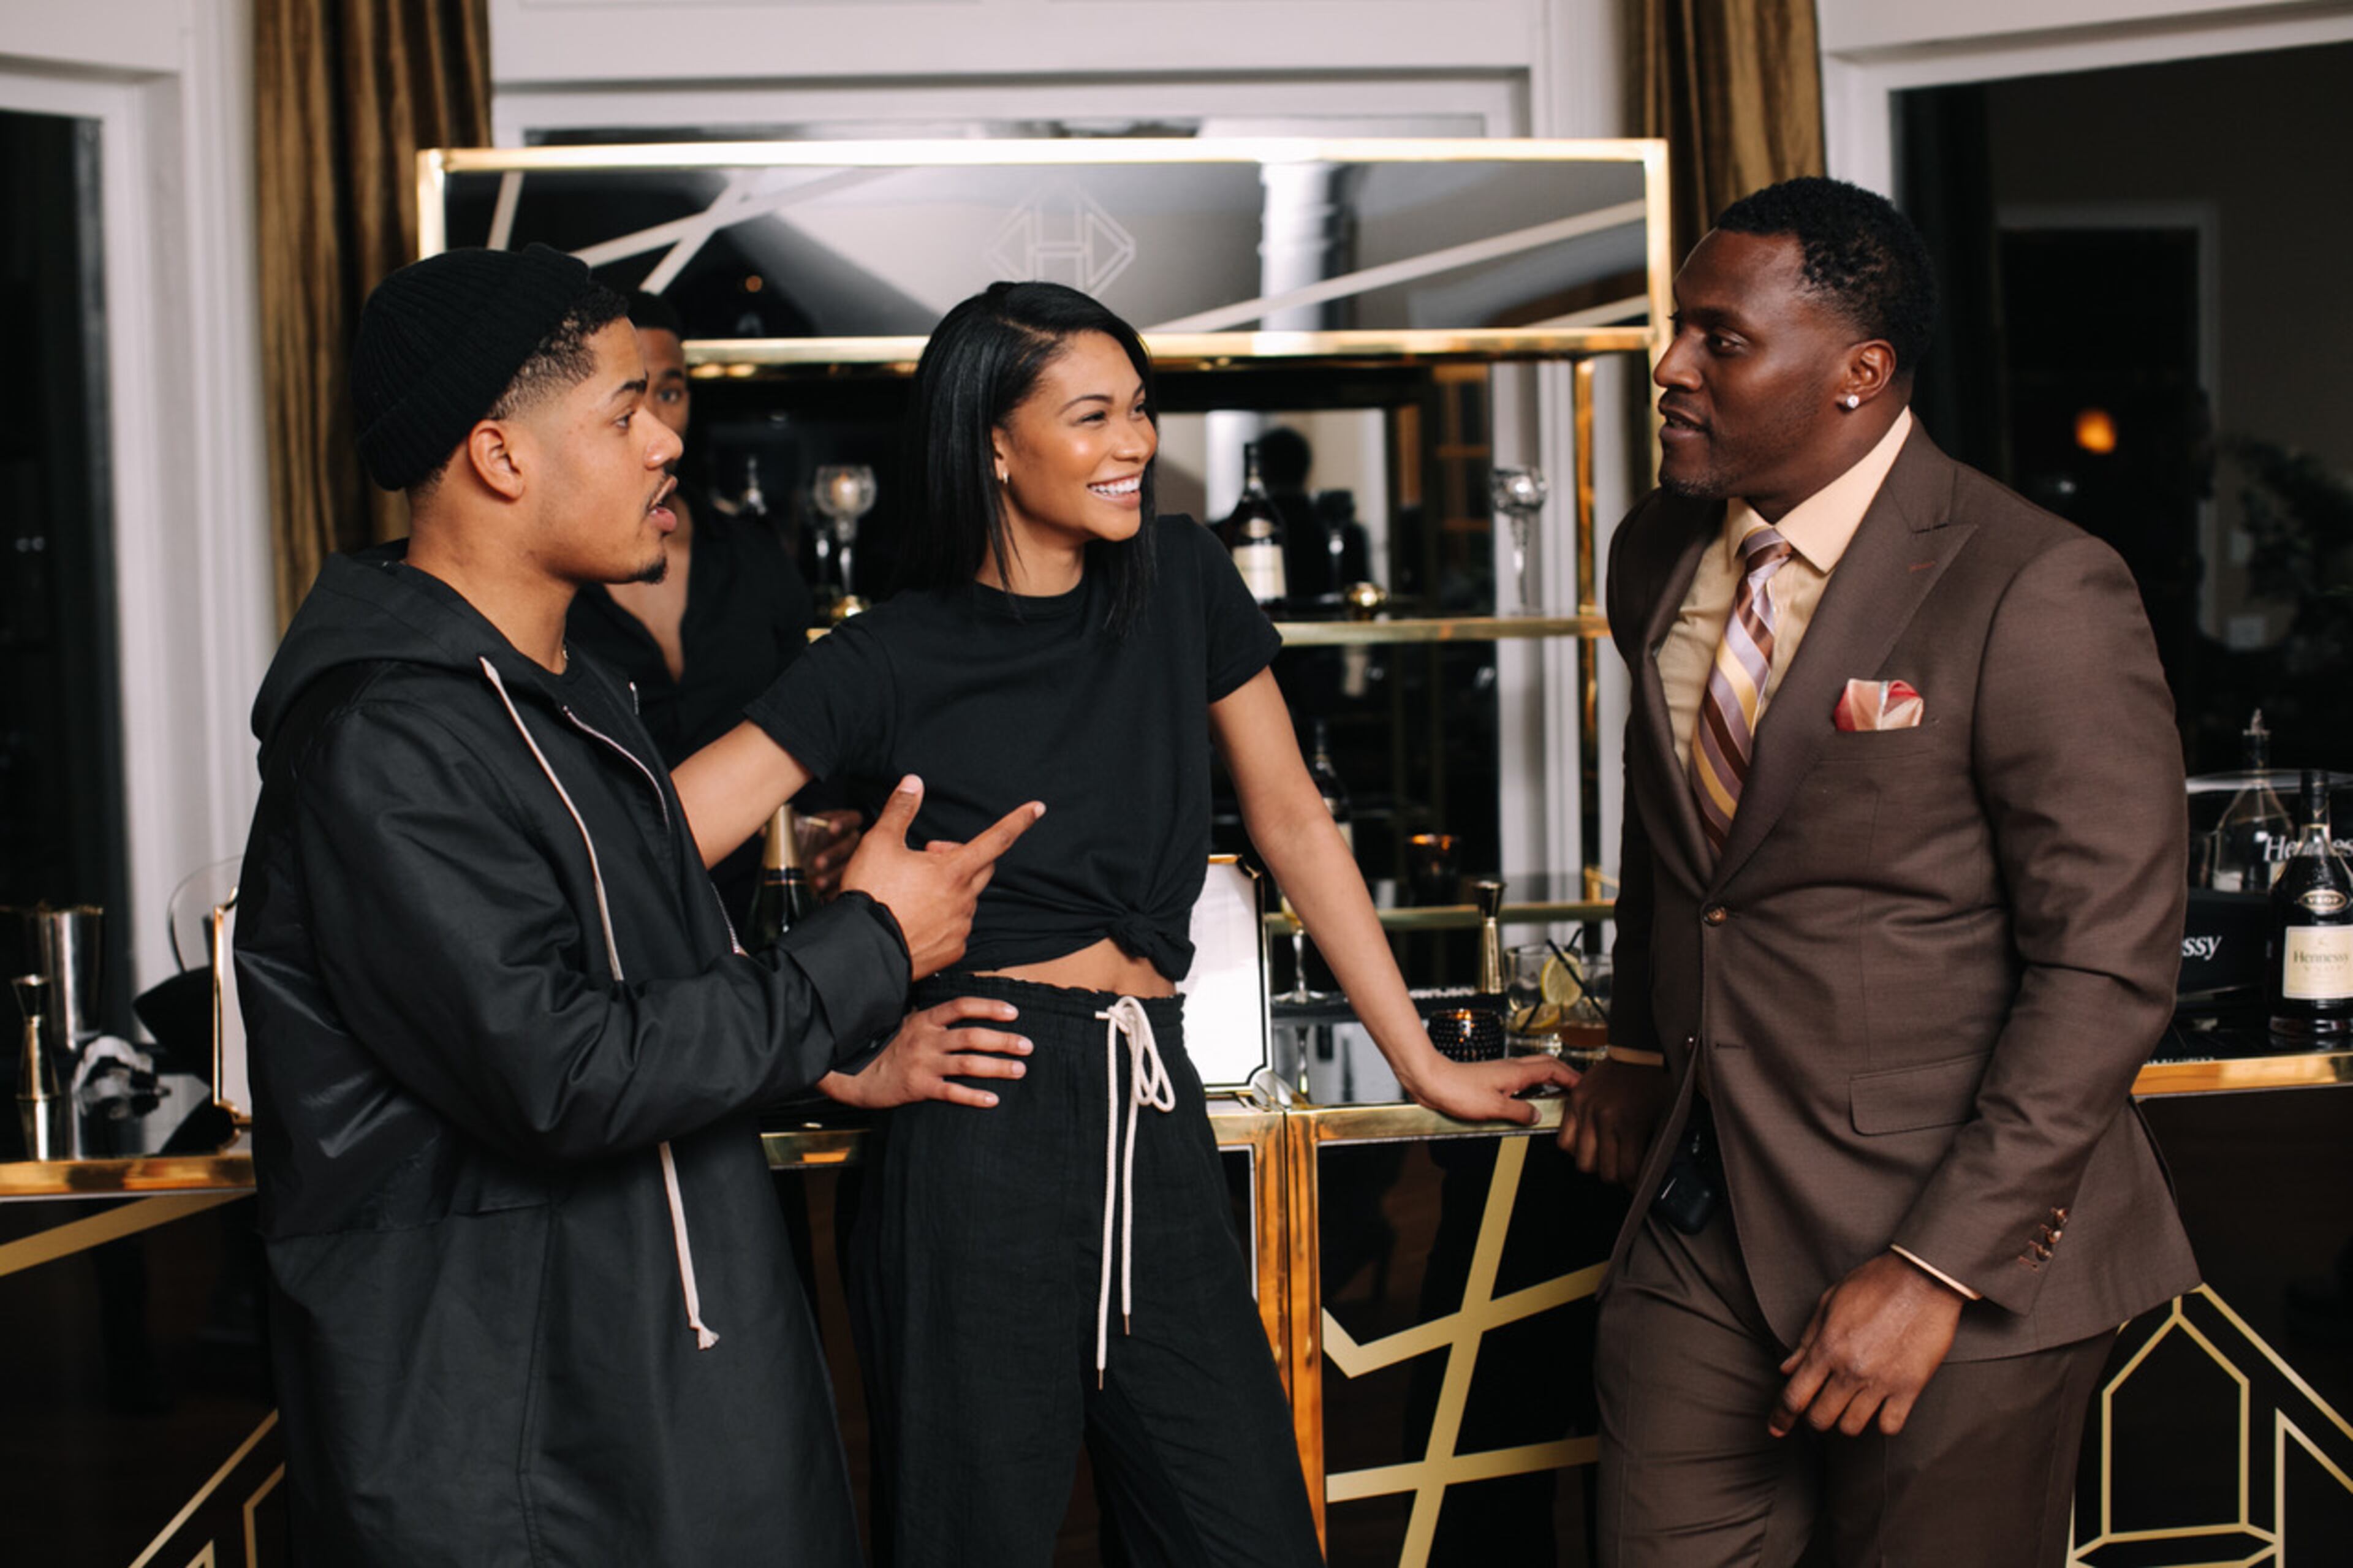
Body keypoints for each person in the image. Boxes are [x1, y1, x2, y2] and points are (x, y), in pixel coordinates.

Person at [673, 280, 1577, 1566]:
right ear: (994, 439)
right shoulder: (887, 657)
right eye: (1092, 414)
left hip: (1156, 1110)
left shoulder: (1182, 578)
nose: (1136, 443)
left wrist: (1421, 1057)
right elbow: (637, 853)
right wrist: (824, 1055)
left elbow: (1296, 822)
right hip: (976, 1131)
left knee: (1246, 1534)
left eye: (1141, 410)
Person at [233, 243, 1042, 1566]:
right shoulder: (389, 740)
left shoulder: (568, 705)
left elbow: (644, 1004)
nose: (668, 440)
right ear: (500, 456)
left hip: (654, 1383)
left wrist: (831, 1064)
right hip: (518, 1447)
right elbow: (562, 1072)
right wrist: (869, 948)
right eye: (625, 410)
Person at [1557, 176, 2199, 1566]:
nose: (1666, 366)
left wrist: (1933, 1269)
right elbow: (1675, 839)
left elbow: (2103, 964)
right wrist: (1628, 1038)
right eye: (1675, 329)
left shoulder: (2035, 586)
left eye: (1716, 339)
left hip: (1949, 1233)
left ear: (1856, 374)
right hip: (1701, 1208)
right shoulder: (1658, 548)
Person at [566, 290, 857, 914]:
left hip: (762, 920)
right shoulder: (550, 579)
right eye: (628, 403)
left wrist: (830, 834)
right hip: (612, 918)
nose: (657, 428)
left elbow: (816, 738)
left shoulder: (754, 559)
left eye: (669, 393)